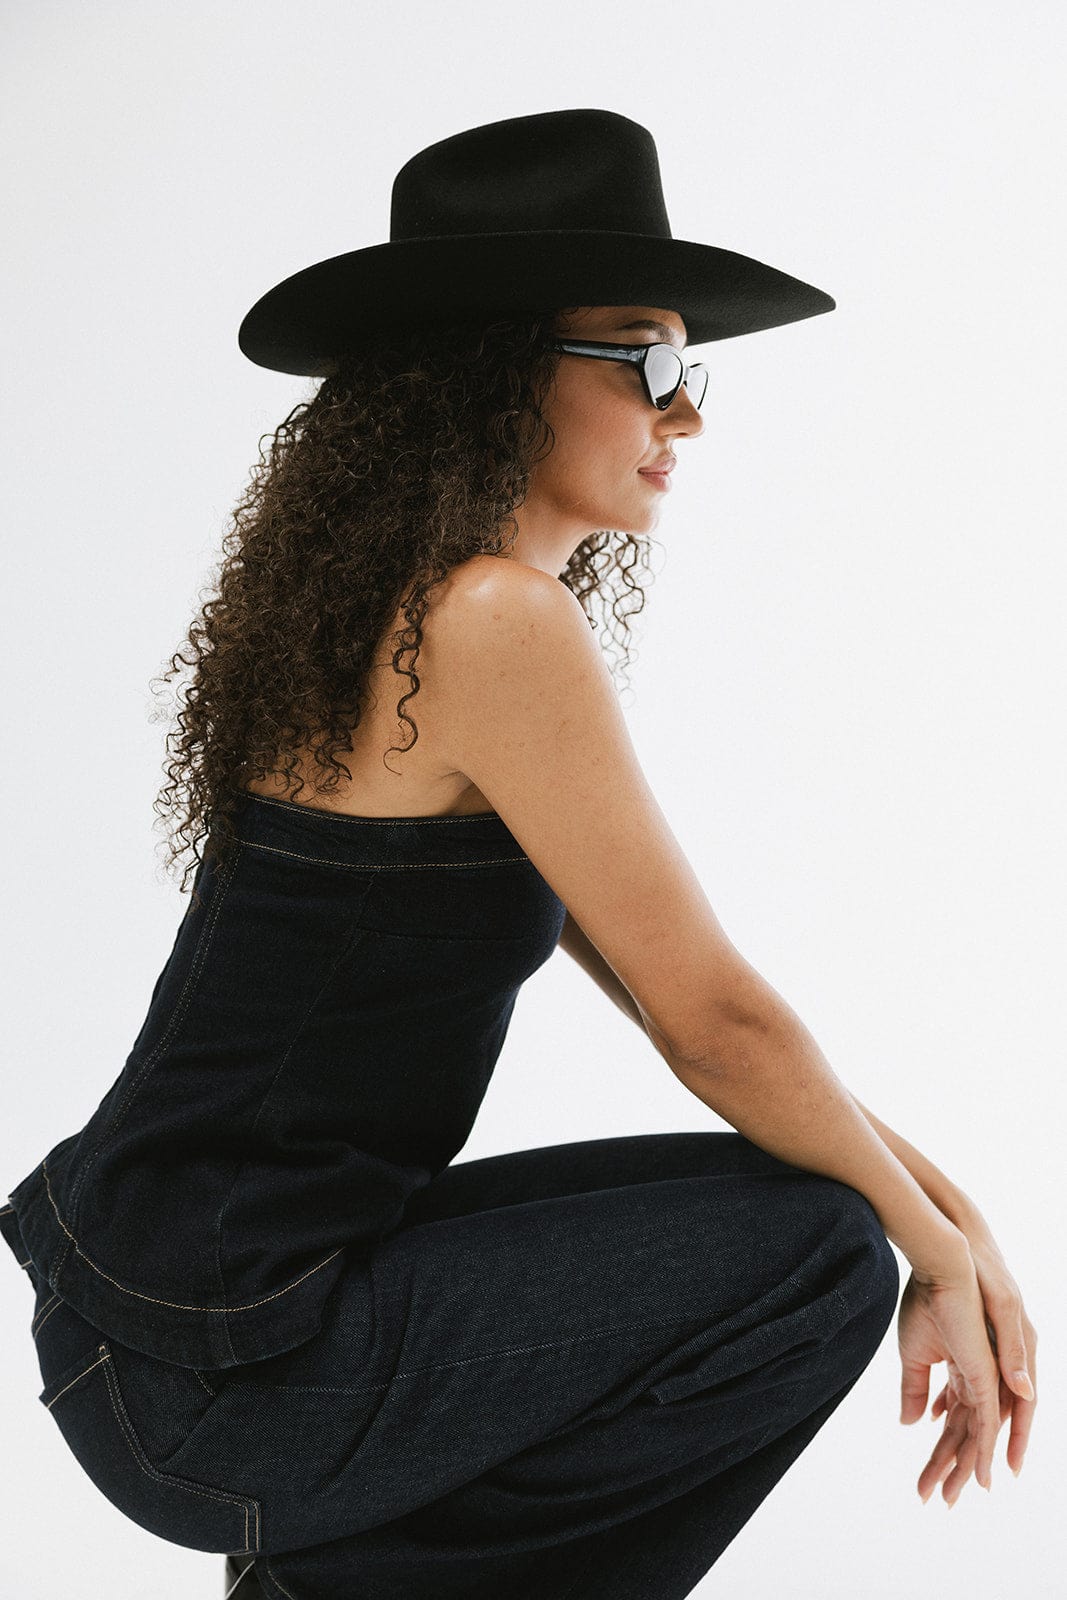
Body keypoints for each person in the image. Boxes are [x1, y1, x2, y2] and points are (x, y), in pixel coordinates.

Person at [0, 109, 1036, 1600]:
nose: (688, 417)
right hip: (220, 1365)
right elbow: (718, 1023)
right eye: (649, 364)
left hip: (185, 1322)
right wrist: (933, 1246)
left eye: (695, 371)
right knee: (819, 1257)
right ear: (492, 369)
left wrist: (951, 1213)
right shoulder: (488, 620)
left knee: (812, 1221)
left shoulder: (414, 615)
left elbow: (683, 1006)